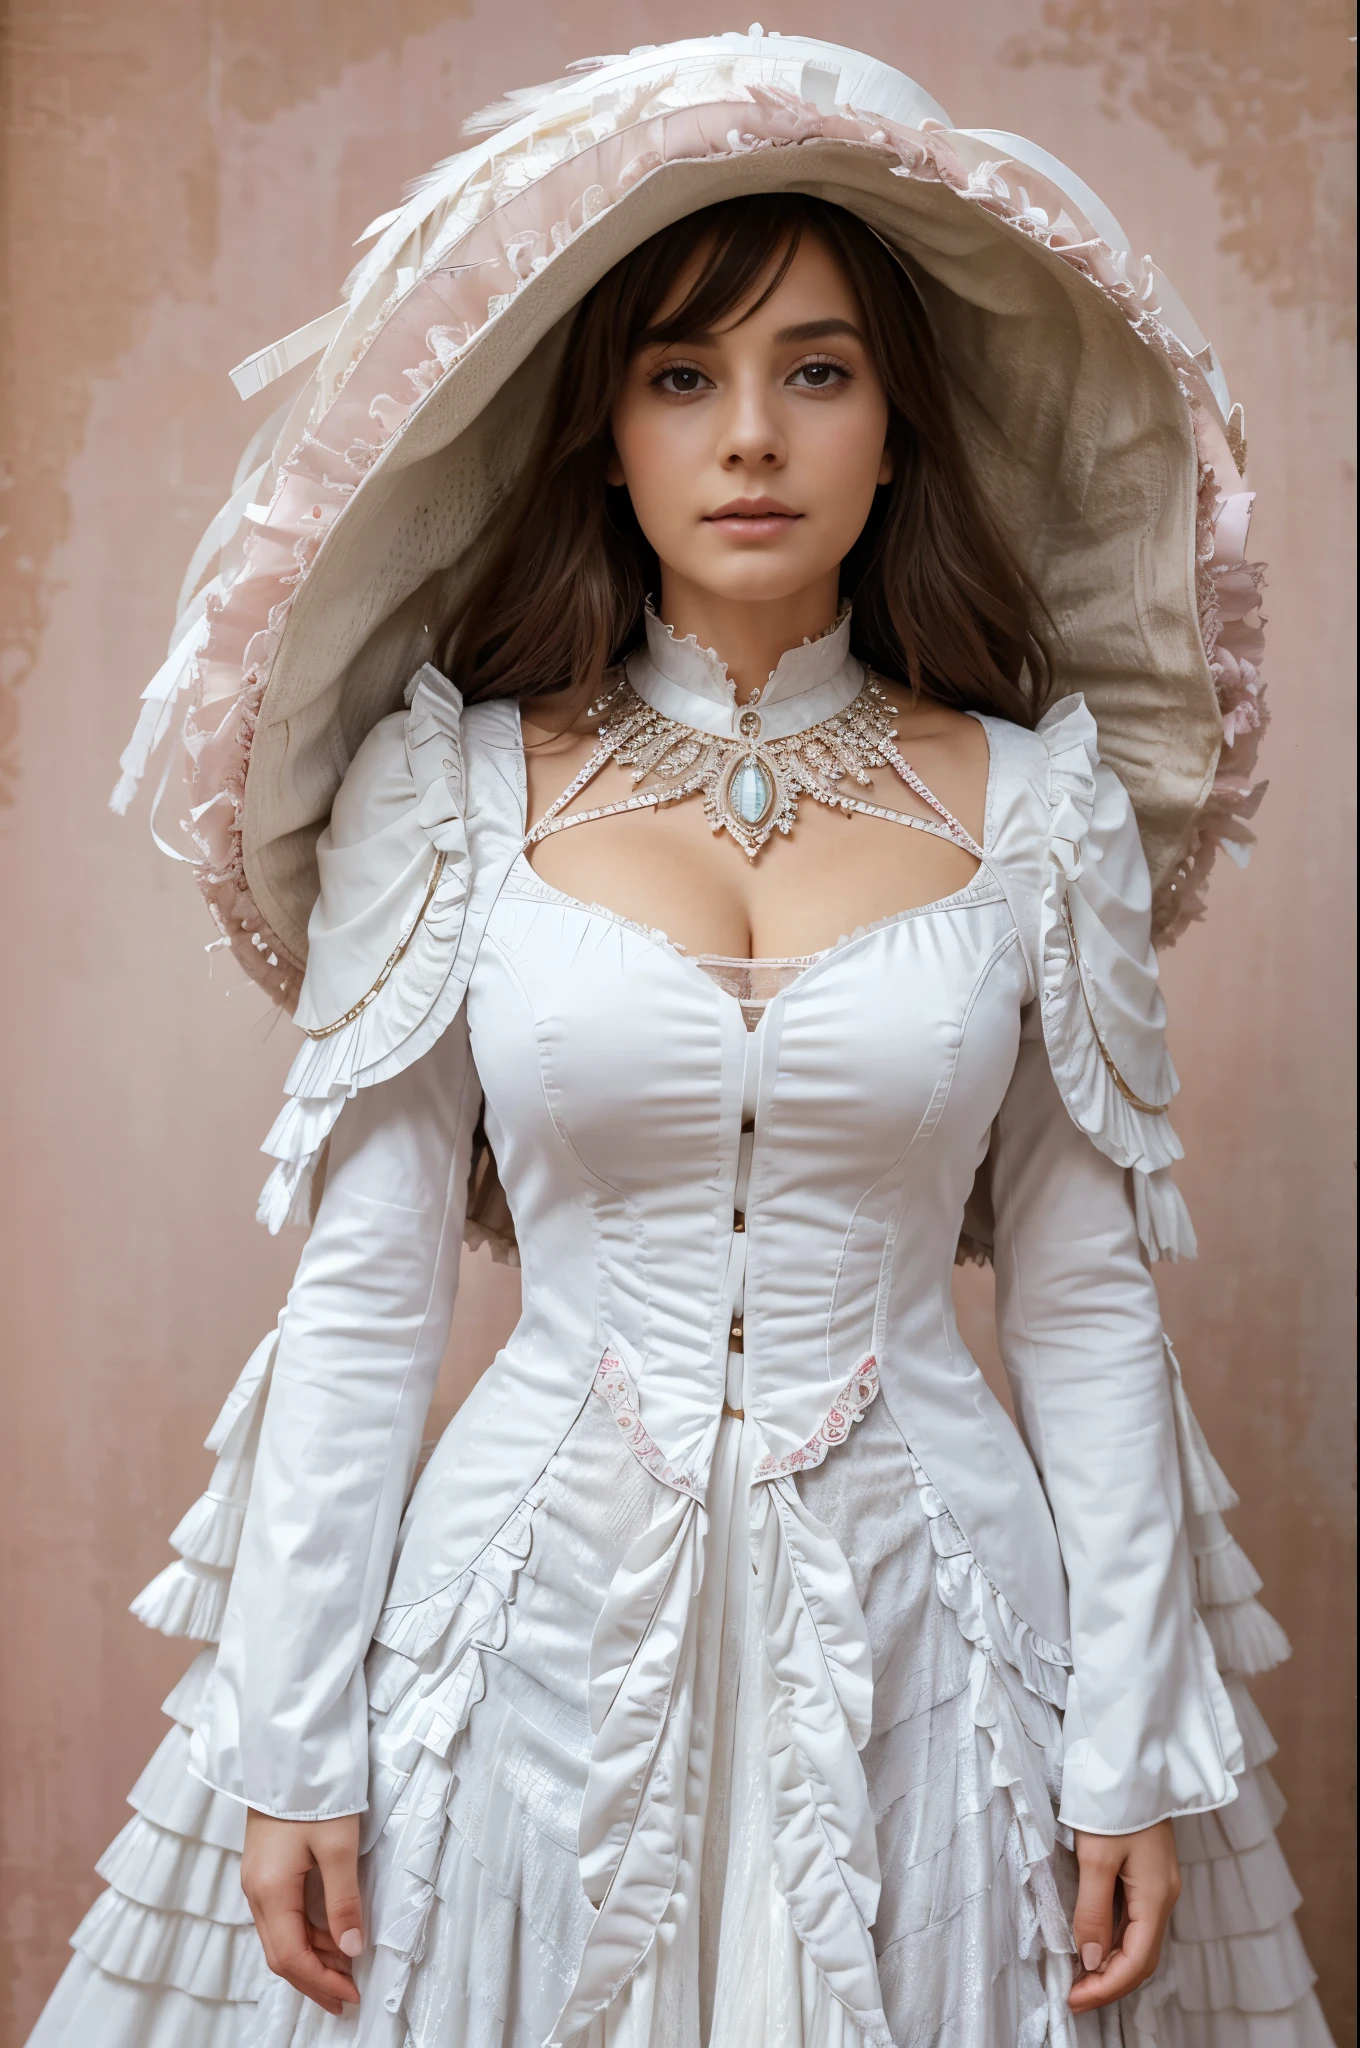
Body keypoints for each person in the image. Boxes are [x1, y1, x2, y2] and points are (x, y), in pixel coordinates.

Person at [29, 32, 1328, 2048]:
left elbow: (1077, 1299)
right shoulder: (446, 791)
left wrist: (1131, 1741)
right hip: (517, 1641)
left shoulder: (1031, 808)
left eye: (814, 372)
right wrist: (293, 1733)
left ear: (894, 431)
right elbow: (370, 1289)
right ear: (603, 439)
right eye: (679, 376)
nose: (748, 437)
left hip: (935, 1646)